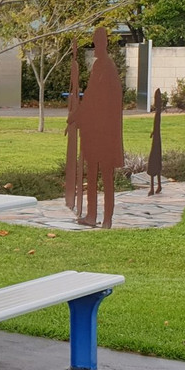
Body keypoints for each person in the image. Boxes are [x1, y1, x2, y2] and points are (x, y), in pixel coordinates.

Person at [74, 27, 124, 228]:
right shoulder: (100, 67)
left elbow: (94, 99)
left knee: (106, 175)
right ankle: (92, 215)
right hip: (95, 132)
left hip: (103, 133)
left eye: (98, 42)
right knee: (93, 174)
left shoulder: (106, 68)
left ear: (104, 43)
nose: (96, 46)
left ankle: (107, 218)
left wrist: (76, 115)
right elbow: (90, 98)